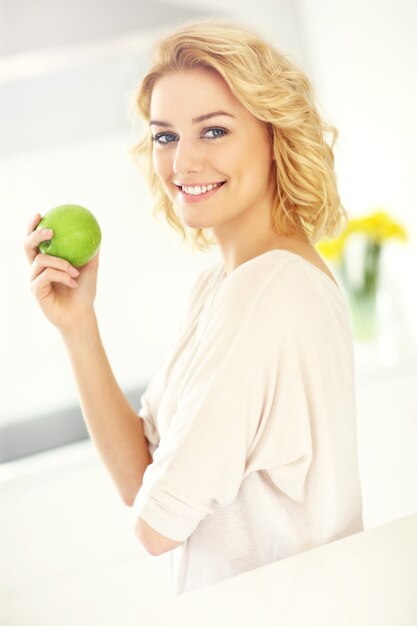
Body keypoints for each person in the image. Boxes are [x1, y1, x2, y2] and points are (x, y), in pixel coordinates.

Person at [24, 18, 363, 596]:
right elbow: (140, 479)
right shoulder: (224, 286)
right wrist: (79, 326)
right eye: (165, 136)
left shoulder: (266, 293)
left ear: (274, 135)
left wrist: (163, 490)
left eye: (213, 131)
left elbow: (156, 525)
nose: (182, 163)